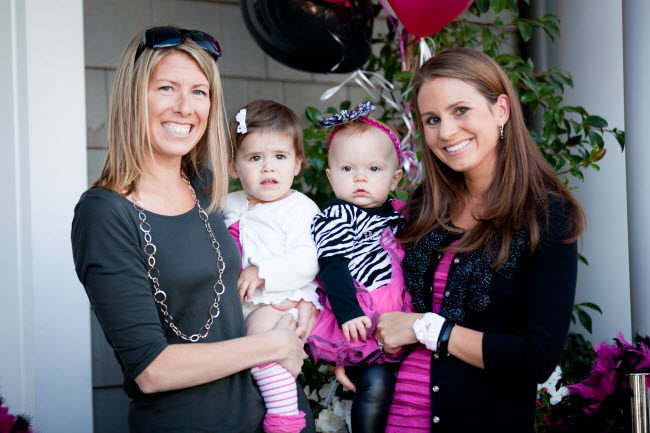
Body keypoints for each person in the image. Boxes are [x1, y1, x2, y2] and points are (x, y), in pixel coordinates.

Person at [71, 26, 316, 433]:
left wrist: (299, 300)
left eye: (199, 92)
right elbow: (151, 369)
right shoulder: (104, 213)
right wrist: (271, 345)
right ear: (135, 96)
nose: (185, 107)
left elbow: (282, 243)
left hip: (279, 417)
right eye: (167, 88)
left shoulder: (209, 185)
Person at [371, 47, 586, 432]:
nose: (447, 132)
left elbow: (536, 356)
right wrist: (351, 347)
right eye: (432, 120)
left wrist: (428, 328)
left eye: (460, 111)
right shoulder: (424, 206)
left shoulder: (546, 217)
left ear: (501, 109)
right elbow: (378, 291)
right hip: (395, 418)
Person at [305, 103, 409, 433]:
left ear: (395, 177)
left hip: (399, 319)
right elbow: (332, 267)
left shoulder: (400, 214)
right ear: (330, 176)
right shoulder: (337, 216)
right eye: (348, 169)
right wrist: (348, 312)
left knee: (400, 390)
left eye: (374, 169)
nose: (360, 177)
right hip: (361, 319)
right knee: (375, 386)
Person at [224, 100, 321, 433]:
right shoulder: (228, 203)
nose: (268, 168)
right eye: (255, 158)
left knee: (262, 346)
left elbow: (308, 258)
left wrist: (261, 271)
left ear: (297, 164)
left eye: (279, 157)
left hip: (275, 300)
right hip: (238, 306)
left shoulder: (299, 209)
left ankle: (283, 417)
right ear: (233, 166)